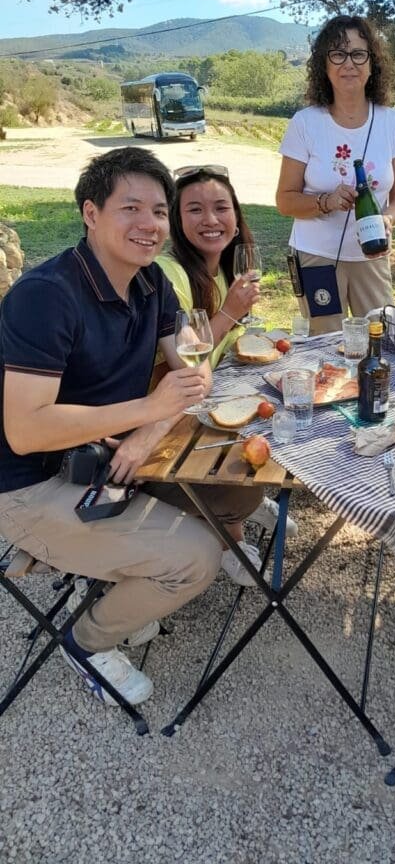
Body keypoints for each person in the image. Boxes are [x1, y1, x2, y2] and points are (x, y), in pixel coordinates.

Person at [0, 147, 264, 708]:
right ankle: (87, 640)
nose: (150, 225)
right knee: (198, 556)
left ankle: (124, 578)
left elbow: (193, 374)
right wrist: (146, 412)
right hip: (29, 485)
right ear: (91, 214)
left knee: (238, 490)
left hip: (111, 458)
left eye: (159, 212)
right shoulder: (46, 297)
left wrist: (149, 430)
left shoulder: (151, 285)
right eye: (131, 208)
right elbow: (25, 431)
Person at [157, 163, 297, 542]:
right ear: (176, 219)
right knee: (247, 465)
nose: (211, 219)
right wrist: (230, 312)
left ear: (235, 217)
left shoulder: (221, 270)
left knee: (285, 409)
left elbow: (225, 344)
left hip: (211, 389)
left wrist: (238, 319)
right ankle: (229, 538)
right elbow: (186, 362)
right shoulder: (169, 273)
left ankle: (244, 506)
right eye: (195, 209)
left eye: (221, 207)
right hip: (172, 411)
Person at [276, 14, 395, 334]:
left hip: (372, 255)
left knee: (381, 340)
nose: (348, 63)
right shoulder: (305, 123)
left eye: (358, 54)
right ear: (324, 65)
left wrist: (388, 219)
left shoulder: (393, 123)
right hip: (316, 258)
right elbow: (285, 201)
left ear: (372, 63)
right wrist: (326, 201)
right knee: (324, 348)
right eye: (337, 54)